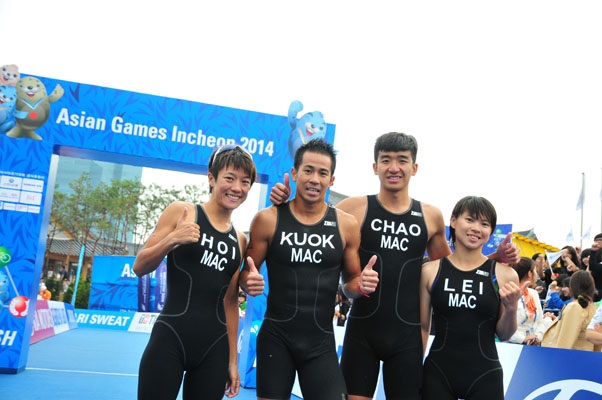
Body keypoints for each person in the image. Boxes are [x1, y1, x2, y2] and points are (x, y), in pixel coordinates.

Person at [269, 132, 520, 399]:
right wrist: (286, 203)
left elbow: (454, 267)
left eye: (402, 160)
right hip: (362, 332)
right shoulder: (352, 208)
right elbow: (309, 222)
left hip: (406, 339)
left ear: (414, 167)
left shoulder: (430, 216)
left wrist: (495, 259)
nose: (394, 167)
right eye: (386, 160)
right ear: (375, 166)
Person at [239, 138, 380, 400]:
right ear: (295, 173)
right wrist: (247, 282)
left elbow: (350, 282)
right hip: (275, 340)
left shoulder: (346, 224)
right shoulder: (268, 219)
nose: (315, 179)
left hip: (320, 344)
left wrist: (361, 286)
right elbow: (246, 272)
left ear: (331, 180)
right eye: (308, 170)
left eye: (322, 173)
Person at [133, 144, 256, 400]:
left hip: (214, 349)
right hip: (170, 338)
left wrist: (233, 361)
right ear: (211, 178)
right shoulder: (183, 212)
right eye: (229, 178)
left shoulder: (240, 239)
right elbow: (140, 266)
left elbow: (230, 302)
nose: (237, 187)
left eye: (245, 182)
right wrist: (172, 239)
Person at [419, 196, 524, 400]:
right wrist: (414, 368)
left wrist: (511, 308)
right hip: (438, 373)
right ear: (453, 221)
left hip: (485, 375)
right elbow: (422, 327)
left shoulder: (505, 275)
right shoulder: (431, 271)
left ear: (491, 231)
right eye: (469, 220)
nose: (476, 228)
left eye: (484, 224)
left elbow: (504, 334)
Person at [541, 270, 600, 351]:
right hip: (588, 355)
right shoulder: (594, 308)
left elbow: (565, 342)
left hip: (573, 355)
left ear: (572, 287)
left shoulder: (574, 307)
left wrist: (558, 357)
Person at [506, 257, 555, 346]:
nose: (537, 275)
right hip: (511, 346)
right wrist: (523, 339)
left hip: (532, 347)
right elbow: (504, 327)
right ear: (529, 273)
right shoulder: (507, 293)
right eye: (535, 271)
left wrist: (536, 337)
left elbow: (538, 322)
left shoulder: (533, 293)